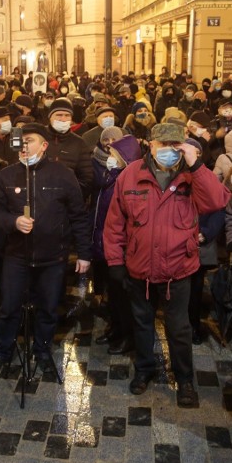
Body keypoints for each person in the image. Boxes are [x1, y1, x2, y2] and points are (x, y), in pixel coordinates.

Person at [103, 122, 231, 407]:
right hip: (140, 269)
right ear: (150, 144)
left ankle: (185, 379)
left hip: (178, 270)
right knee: (142, 324)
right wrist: (115, 261)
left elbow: (218, 201)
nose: (170, 152)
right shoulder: (130, 175)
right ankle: (144, 370)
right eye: (164, 146)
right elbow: (115, 223)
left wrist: (196, 165)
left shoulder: (192, 175)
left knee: (179, 328)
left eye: (176, 146)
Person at [0, 123, 92, 374]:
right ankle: (3, 349)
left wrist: (84, 252)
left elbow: (78, 215)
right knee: (8, 307)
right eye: (20, 140)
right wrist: (13, 221)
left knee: (48, 307)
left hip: (52, 256)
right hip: (16, 256)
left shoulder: (63, 174)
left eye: (29, 140)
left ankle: (42, 349)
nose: (23, 145)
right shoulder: (7, 175)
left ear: (44, 145)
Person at [92, 133, 141, 354]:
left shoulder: (128, 182)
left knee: (124, 297)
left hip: (122, 248)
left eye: (113, 153)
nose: (109, 156)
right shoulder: (112, 176)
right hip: (106, 242)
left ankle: (128, 336)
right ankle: (116, 328)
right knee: (114, 294)